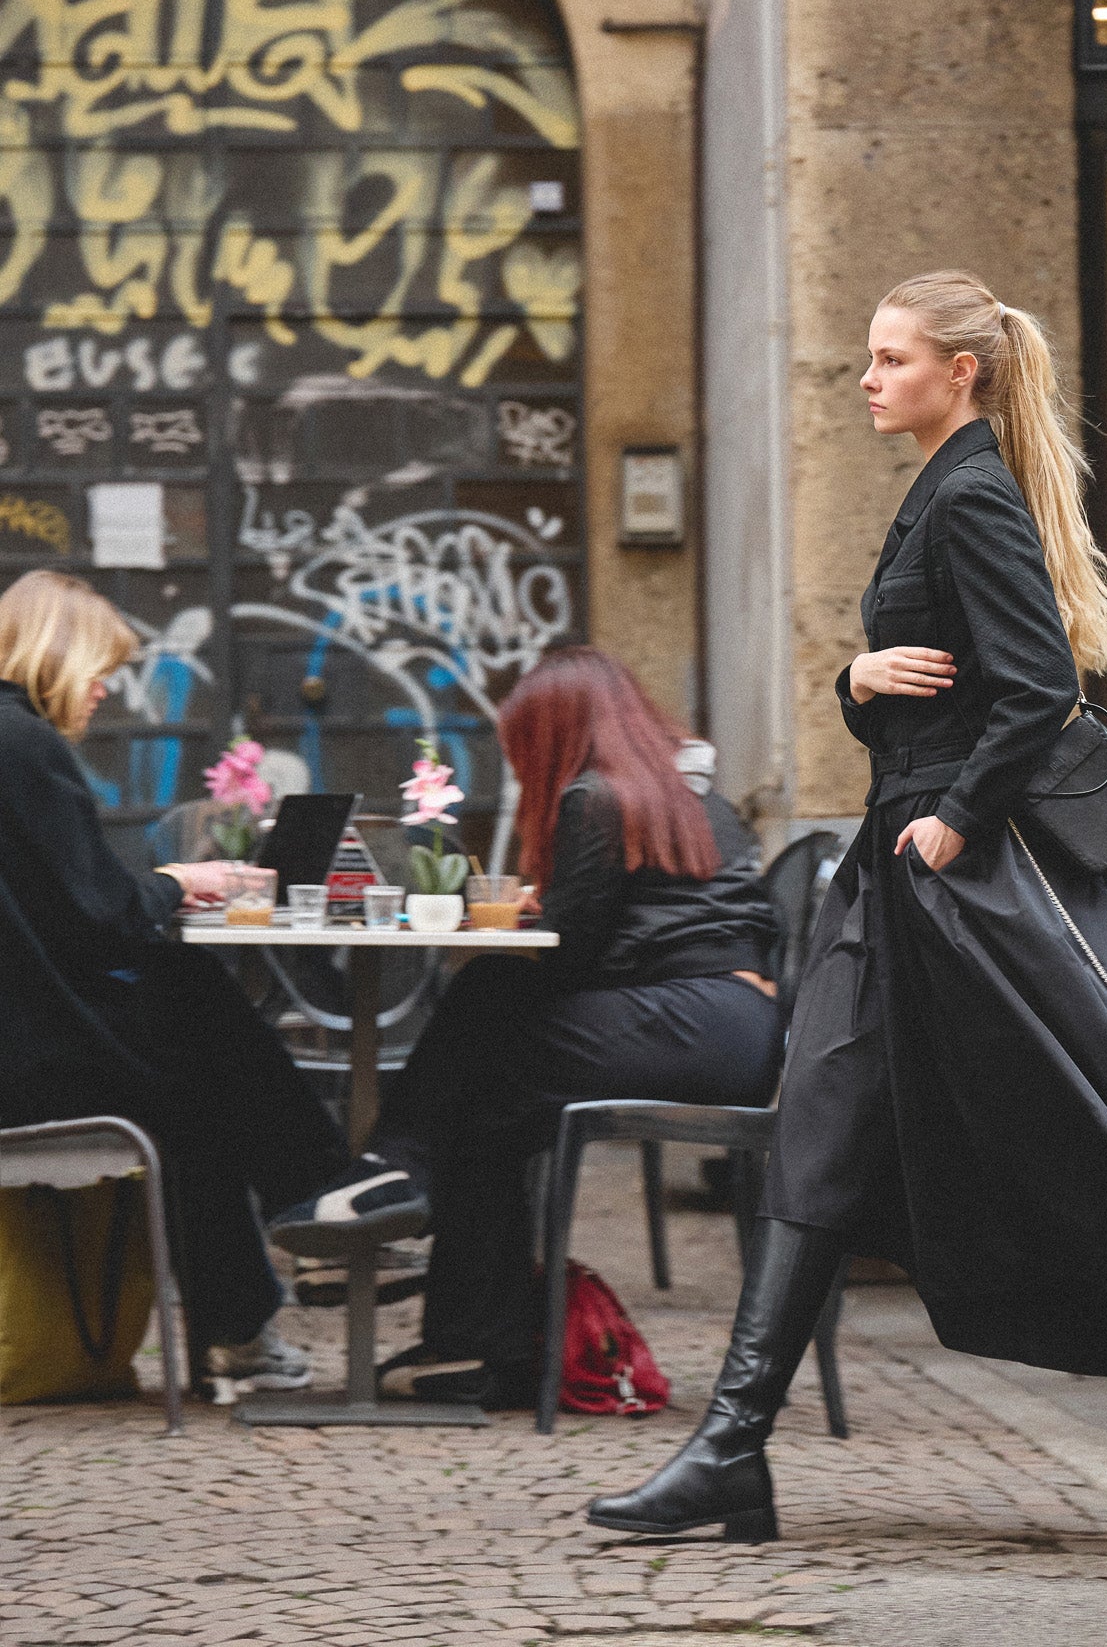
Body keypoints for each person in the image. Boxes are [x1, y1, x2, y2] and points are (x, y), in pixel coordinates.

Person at [589, 272, 1107, 1554]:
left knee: (1091, 1144)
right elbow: (948, 683)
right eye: (868, 357)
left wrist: (959, 817)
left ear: (960, 372)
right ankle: (731, 1449)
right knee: (816, 1130)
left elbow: (1037, 685)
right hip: (905, 880)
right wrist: (855, 676)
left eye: (891, 358)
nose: (867, 377)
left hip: (967, 883)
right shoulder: (944, 487)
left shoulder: (973, 491)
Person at [275, 646, 784, 1408]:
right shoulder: (686, 794)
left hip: (690, 1019)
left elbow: (571, 955)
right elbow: (636, 929)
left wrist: (525, 926)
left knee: (488, 1000)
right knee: (490, 1106)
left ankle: (397, 1173)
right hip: (731, 1026)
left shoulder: (595, 797)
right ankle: (472, 1343)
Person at [0, 569, 351, 1391]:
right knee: (191, 1023)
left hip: (19, 1039)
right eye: (100, 671)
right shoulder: (23, 745)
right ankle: (327, 1198)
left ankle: (292, 1252)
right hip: (29, 1064)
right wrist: (176, 880)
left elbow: (61, 915)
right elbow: (100, 917)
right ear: (57, 655)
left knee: (188, 1042)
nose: (103, 693)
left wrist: (158, 886)